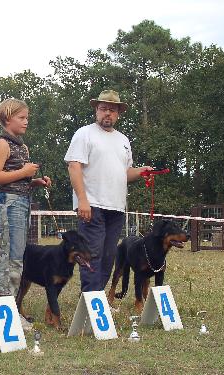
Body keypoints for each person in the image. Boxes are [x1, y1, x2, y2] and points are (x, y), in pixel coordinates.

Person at [64, 89, 151, 292]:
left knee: (109, 256)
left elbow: (124, 173)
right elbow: (74, 166)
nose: (107, 114)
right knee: (92, 254)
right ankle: (90, 301)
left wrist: (141, 172)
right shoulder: (84, 133)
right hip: (92, 205)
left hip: (117, 207)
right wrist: (82, 200)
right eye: (103, 109)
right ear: (96, 110)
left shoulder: (123, 140)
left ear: (118, 113)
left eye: (112, 110)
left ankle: (97, 300)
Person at [0, 98, 51, 301]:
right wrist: (24, 171)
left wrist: (35, 182)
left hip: (22, 202)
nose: (26, 122)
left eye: (27, 118)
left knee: (9, 255)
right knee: (12, 257)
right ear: (7, 118)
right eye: (21, 117)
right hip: (8, 203)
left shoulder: (23, 147)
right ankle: (9, 308)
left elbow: (18, 179)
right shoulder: (2, 144)